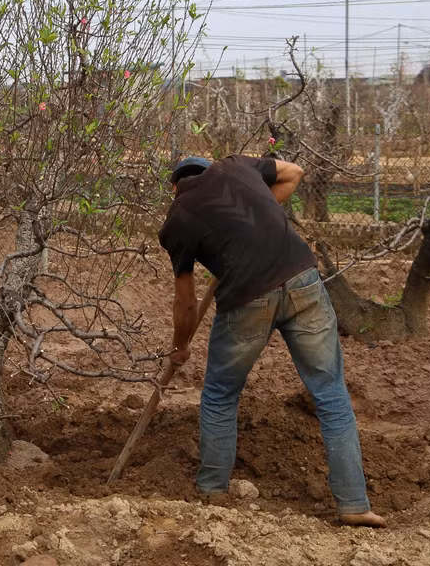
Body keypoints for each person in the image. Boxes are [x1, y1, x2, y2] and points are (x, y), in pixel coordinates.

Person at [157, 154, 385, 528]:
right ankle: (354, 504)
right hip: (303, 281)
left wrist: (180, 346)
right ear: (208, 166)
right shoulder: (235, 167)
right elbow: (294, 171)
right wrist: (256, 222)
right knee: (330, 393)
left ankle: (212, 491)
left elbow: (185, 302)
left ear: (174, 187)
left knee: (219, 394)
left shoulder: (177, 220)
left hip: (248, 299)